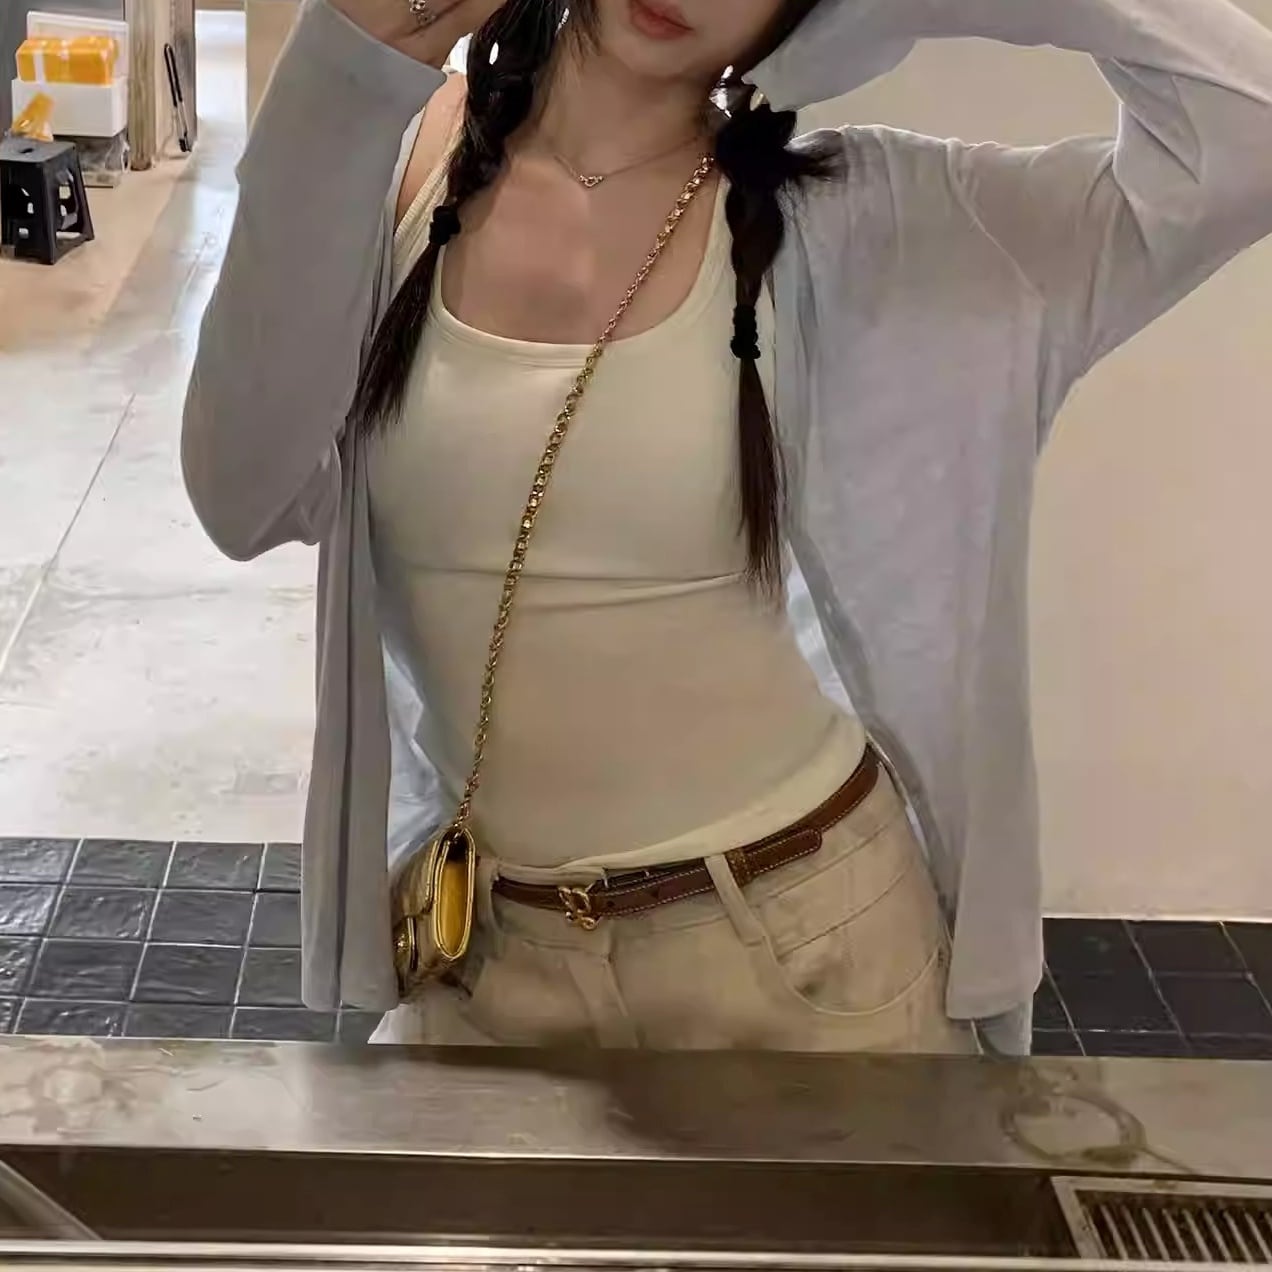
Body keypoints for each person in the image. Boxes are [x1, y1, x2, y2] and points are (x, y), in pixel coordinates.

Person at [183, 0, 1272, 1055]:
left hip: (801, 945)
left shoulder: (856, 218)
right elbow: (245, 497)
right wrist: (340, 77)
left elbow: (1246, 133)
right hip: (497, 948)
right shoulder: (399, 151)